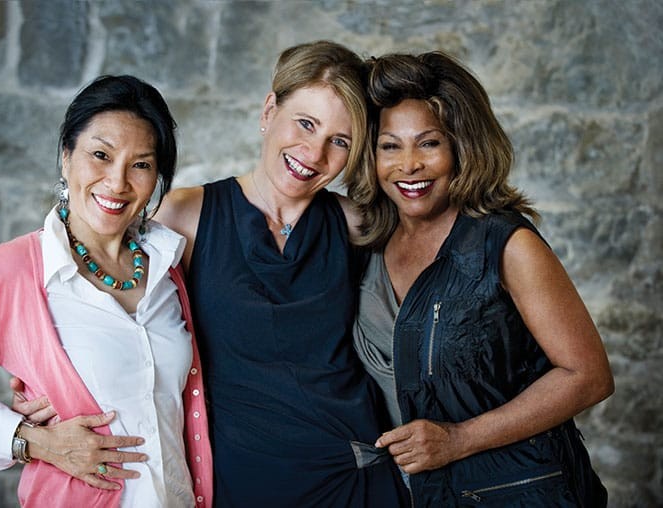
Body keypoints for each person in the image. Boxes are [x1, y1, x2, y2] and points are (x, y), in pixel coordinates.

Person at [0, 75, 213, 508]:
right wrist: (33, 441)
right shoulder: (9, 273)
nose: (117, 183)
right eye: (100, 155)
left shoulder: (168, 266)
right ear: (66, 158)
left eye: (141, 164)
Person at [346, 51, 615, 506]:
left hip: (522, 493)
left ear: (461, 147)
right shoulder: (366, 241)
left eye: (429, 143)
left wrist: (458, 438)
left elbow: (588, 376)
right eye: (390, 146)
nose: (408, 165)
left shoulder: (506, 245)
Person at [150, 40, 409, 507]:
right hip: (243, 478)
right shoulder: (183, 216)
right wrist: (47, 396)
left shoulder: (359, 224)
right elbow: (120, 319)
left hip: (354, 473)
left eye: (340, 141)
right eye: (305, 124)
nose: (314, 153)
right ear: (269, 110)